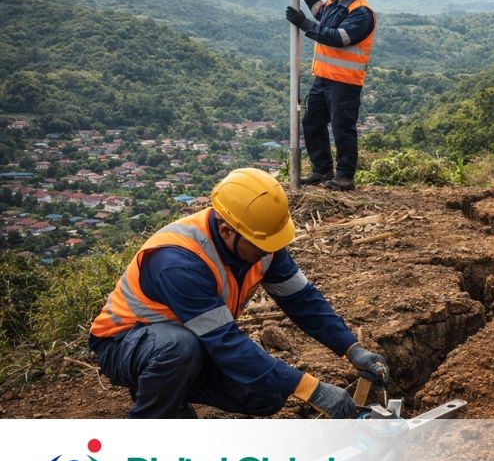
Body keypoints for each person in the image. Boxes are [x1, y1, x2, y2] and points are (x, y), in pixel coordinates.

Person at [89, 167, 390, 419]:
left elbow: (303, 300)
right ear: (226, 231)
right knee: (177, 349)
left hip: (196, 339)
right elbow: (225, 340)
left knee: (267, 394)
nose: (269, 251)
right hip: (127, 344)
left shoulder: (262, 246)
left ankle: (171, 390)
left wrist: (351, 348)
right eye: (261, 244)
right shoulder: (178, 261)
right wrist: (312, 389)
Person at [285, 0, 376, 191]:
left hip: (345, 83)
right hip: (323, 78)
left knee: (342, 128)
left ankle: (345, 176)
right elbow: (319, 12)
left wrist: (304, 24)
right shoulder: (335, 4)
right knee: (312, 121)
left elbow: (338, 38)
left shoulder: (361, 13)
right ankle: (322, 169)